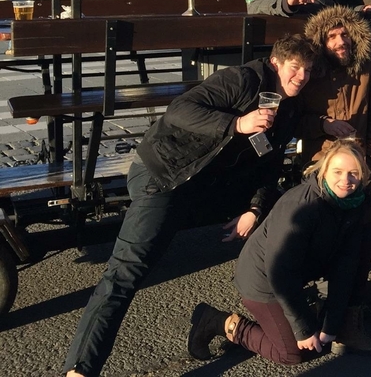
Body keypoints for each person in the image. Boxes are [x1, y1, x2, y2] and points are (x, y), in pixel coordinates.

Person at [63, 34, 316, 377]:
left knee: (288, 210)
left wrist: (255, 209)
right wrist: (236, 124)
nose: (301, 76)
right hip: (166, 174)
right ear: (275, 63)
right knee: (126, 272)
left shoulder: (288, 108)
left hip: (207, 184)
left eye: (308, 70)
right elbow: (179, 110)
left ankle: (300, 310)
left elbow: (268, 166)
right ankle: (80, 368)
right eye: (295, 67)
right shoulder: (242, 80)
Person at [188, 139, 369, 365]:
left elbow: (345, 266)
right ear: (324, 171)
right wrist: (303, 328)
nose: (346, 180)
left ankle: (296, 319)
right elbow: (281, 273)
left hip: (298, 274)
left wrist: (332, 325)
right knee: (292, 354)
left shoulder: (354, 203)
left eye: (353, 173)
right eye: (338, 171)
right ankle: (217, 321)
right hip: (263, 278)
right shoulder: (301, 206)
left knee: (317, 339)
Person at [298, 5, 371, 354]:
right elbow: (294, 116)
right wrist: (323, 124)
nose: (340, 41)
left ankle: (350, 321)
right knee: (323, 241)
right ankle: (318, 314)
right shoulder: (312, 71)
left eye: (345, 34)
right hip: (321, 168)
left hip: (360, 167)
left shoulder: (368, 65)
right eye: (332, 36)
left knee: (365, 238)